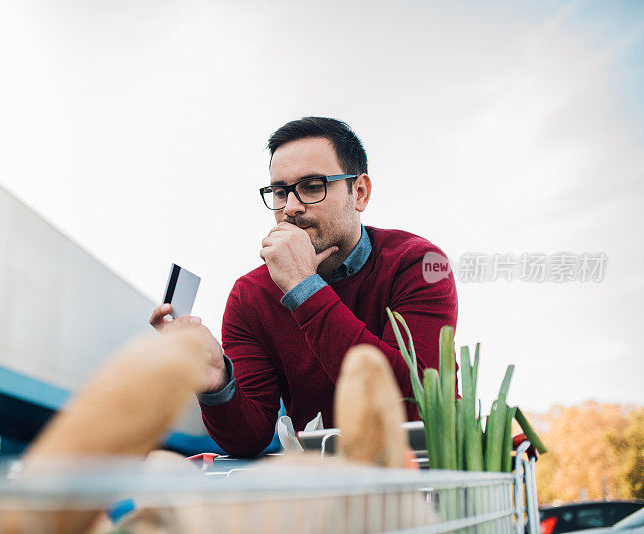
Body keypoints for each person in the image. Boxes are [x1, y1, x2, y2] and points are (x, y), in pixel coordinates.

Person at [150, 117, 458, 457]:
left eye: (312, 186)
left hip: (428, 474)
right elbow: (248, 439)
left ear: (360, 192)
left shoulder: (421, 264)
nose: (290, 208)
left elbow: (416, 403)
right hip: (324, 483)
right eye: (280, 192)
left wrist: (303, 286)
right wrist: (218, 384)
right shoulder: (250, 295)